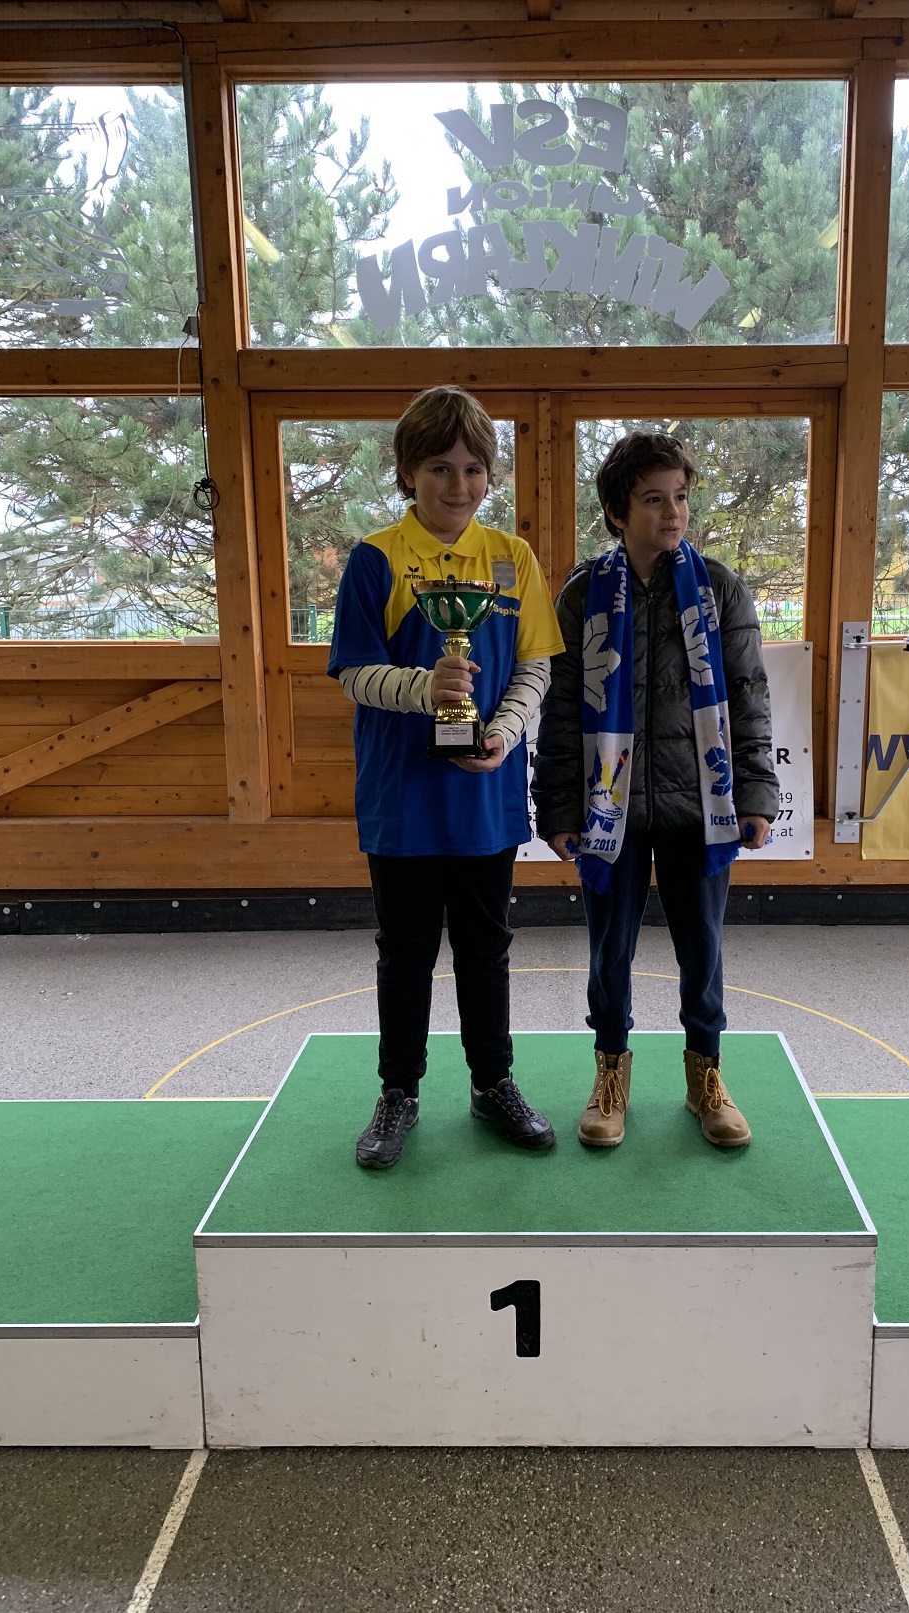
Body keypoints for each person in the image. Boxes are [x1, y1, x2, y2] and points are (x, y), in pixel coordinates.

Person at [328, 386, 565, 1170]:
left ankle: (492, 1082)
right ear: (407, 472)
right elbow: (355, 673)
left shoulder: (513, 558)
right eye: (439, 468)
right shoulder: (375, 559)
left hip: (485, 793)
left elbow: (534, 667)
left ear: (488, 474)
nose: (457, 485)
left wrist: (503, 731)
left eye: (472, 469)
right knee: (405, 951)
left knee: (486, 947)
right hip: (402, 798)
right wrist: (422, 688)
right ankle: (398, 1092)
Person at [532, 432, 778, 1149]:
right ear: (617, 511)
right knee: (609, 955)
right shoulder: (581, 595)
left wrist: (756, 792)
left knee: (703, 952)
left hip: (700, 805)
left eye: (680, 497)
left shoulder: (720, 588)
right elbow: (561, 710)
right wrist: (558, 807)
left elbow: (749, 696)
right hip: (608, 810)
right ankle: (610, 1078)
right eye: (652, 499)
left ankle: (707, 1080)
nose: (672, 512)